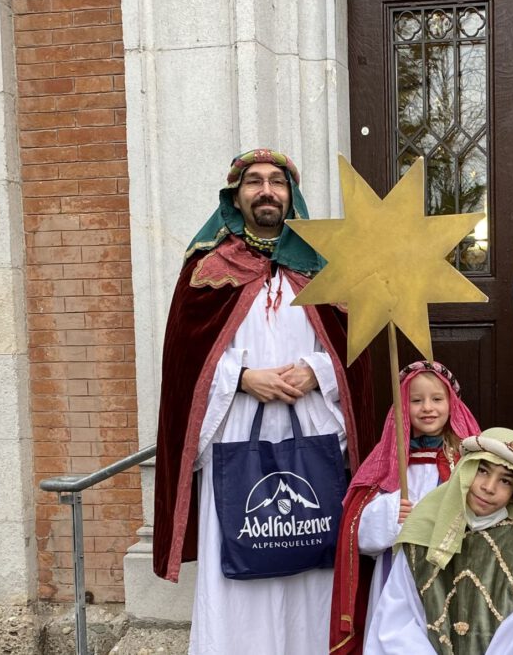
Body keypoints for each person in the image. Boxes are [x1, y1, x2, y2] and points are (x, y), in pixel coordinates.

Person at [152, 148, 374, 654]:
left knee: (311, 557)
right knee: (239, 554)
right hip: (236, 431)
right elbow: (185, 364)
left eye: (277, 181)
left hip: (312, 432)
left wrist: (317, 371)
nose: (267, 190)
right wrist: (242, 377)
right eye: (254, 181)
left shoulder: (326, 266)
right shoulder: (207, 269)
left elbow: (353, 355)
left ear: (292, 195)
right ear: (236, 195)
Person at [364, 427, 513, 654]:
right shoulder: (422, 531)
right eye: (482, 471)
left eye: (505, 481)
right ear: (465, 468)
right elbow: (397, 622)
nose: (489, 488)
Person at [331, 360, 482, 654]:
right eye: (416, 400)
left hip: (451, 569)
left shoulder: (467, 460)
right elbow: (354, 530)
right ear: (402, 407)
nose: (428, 407)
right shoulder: (388, 465)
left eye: (437, 399)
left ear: (452, 404)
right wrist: (390, 514)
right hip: (397, 569)